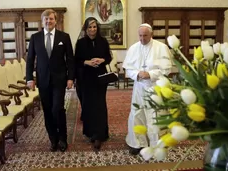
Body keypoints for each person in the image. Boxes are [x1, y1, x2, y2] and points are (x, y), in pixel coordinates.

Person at [26, 9, 75, 152]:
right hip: (43, 80)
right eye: (46, 19)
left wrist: (70, 77)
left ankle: (62, 138)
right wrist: (29, 78)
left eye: (51, 19)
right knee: (47, 110)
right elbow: (30, 60)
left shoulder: (64, 37)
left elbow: (70, 59)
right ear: (42, 22)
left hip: (59, 80)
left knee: (57, 108)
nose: (49, 21)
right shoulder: (35, 38)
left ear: (56, 20)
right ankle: (53, 139)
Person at [123, 23, 173, 155]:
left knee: (155, 114)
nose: (142, 39)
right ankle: (137, 143)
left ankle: (156, 144)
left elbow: (167, 69)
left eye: (145, 35)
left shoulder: (161, 47)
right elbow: (128, 68)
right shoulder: (134, 48)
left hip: (155, 86)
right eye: (140, 35)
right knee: (137, 113)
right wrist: (137, 74)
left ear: (151, 35)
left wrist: (150, 74)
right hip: (139, 86)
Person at [74, 17, 112, 151]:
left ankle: (100, 134)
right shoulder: (80, 43)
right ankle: (90, 132)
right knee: (88, 105)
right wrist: (86, 62)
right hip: (85, 78)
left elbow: (109, 57)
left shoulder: (103, 41)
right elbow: (76, 60)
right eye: (90, 27)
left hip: (101, 78)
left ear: (98, 28)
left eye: (94, 27)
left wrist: (102, 60)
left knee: (100, 105)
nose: (92, 29)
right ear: (86, 28)